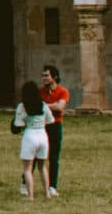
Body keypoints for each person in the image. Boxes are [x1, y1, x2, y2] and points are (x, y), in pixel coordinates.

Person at [13, 77, 50, 198]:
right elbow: (50, 120)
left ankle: (30, 196)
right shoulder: (43, 105)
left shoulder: (22, 106)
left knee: (27, 169)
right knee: (42, 166)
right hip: (43, 136)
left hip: (30, 135)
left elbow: (19, 124)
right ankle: (47, 193)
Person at [41, 62, 70, 197]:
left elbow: (60, 108)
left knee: (54, 157)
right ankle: (25, 183)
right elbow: (33, 105)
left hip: (55, 126)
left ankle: (53, 186)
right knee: (36, 156)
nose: (44, 78)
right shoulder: (40, 91)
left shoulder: (63, 91)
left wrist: (44, 106)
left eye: (47, 75)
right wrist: (53, 105)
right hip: (41, 126)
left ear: (54, 76)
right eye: (43, 76)